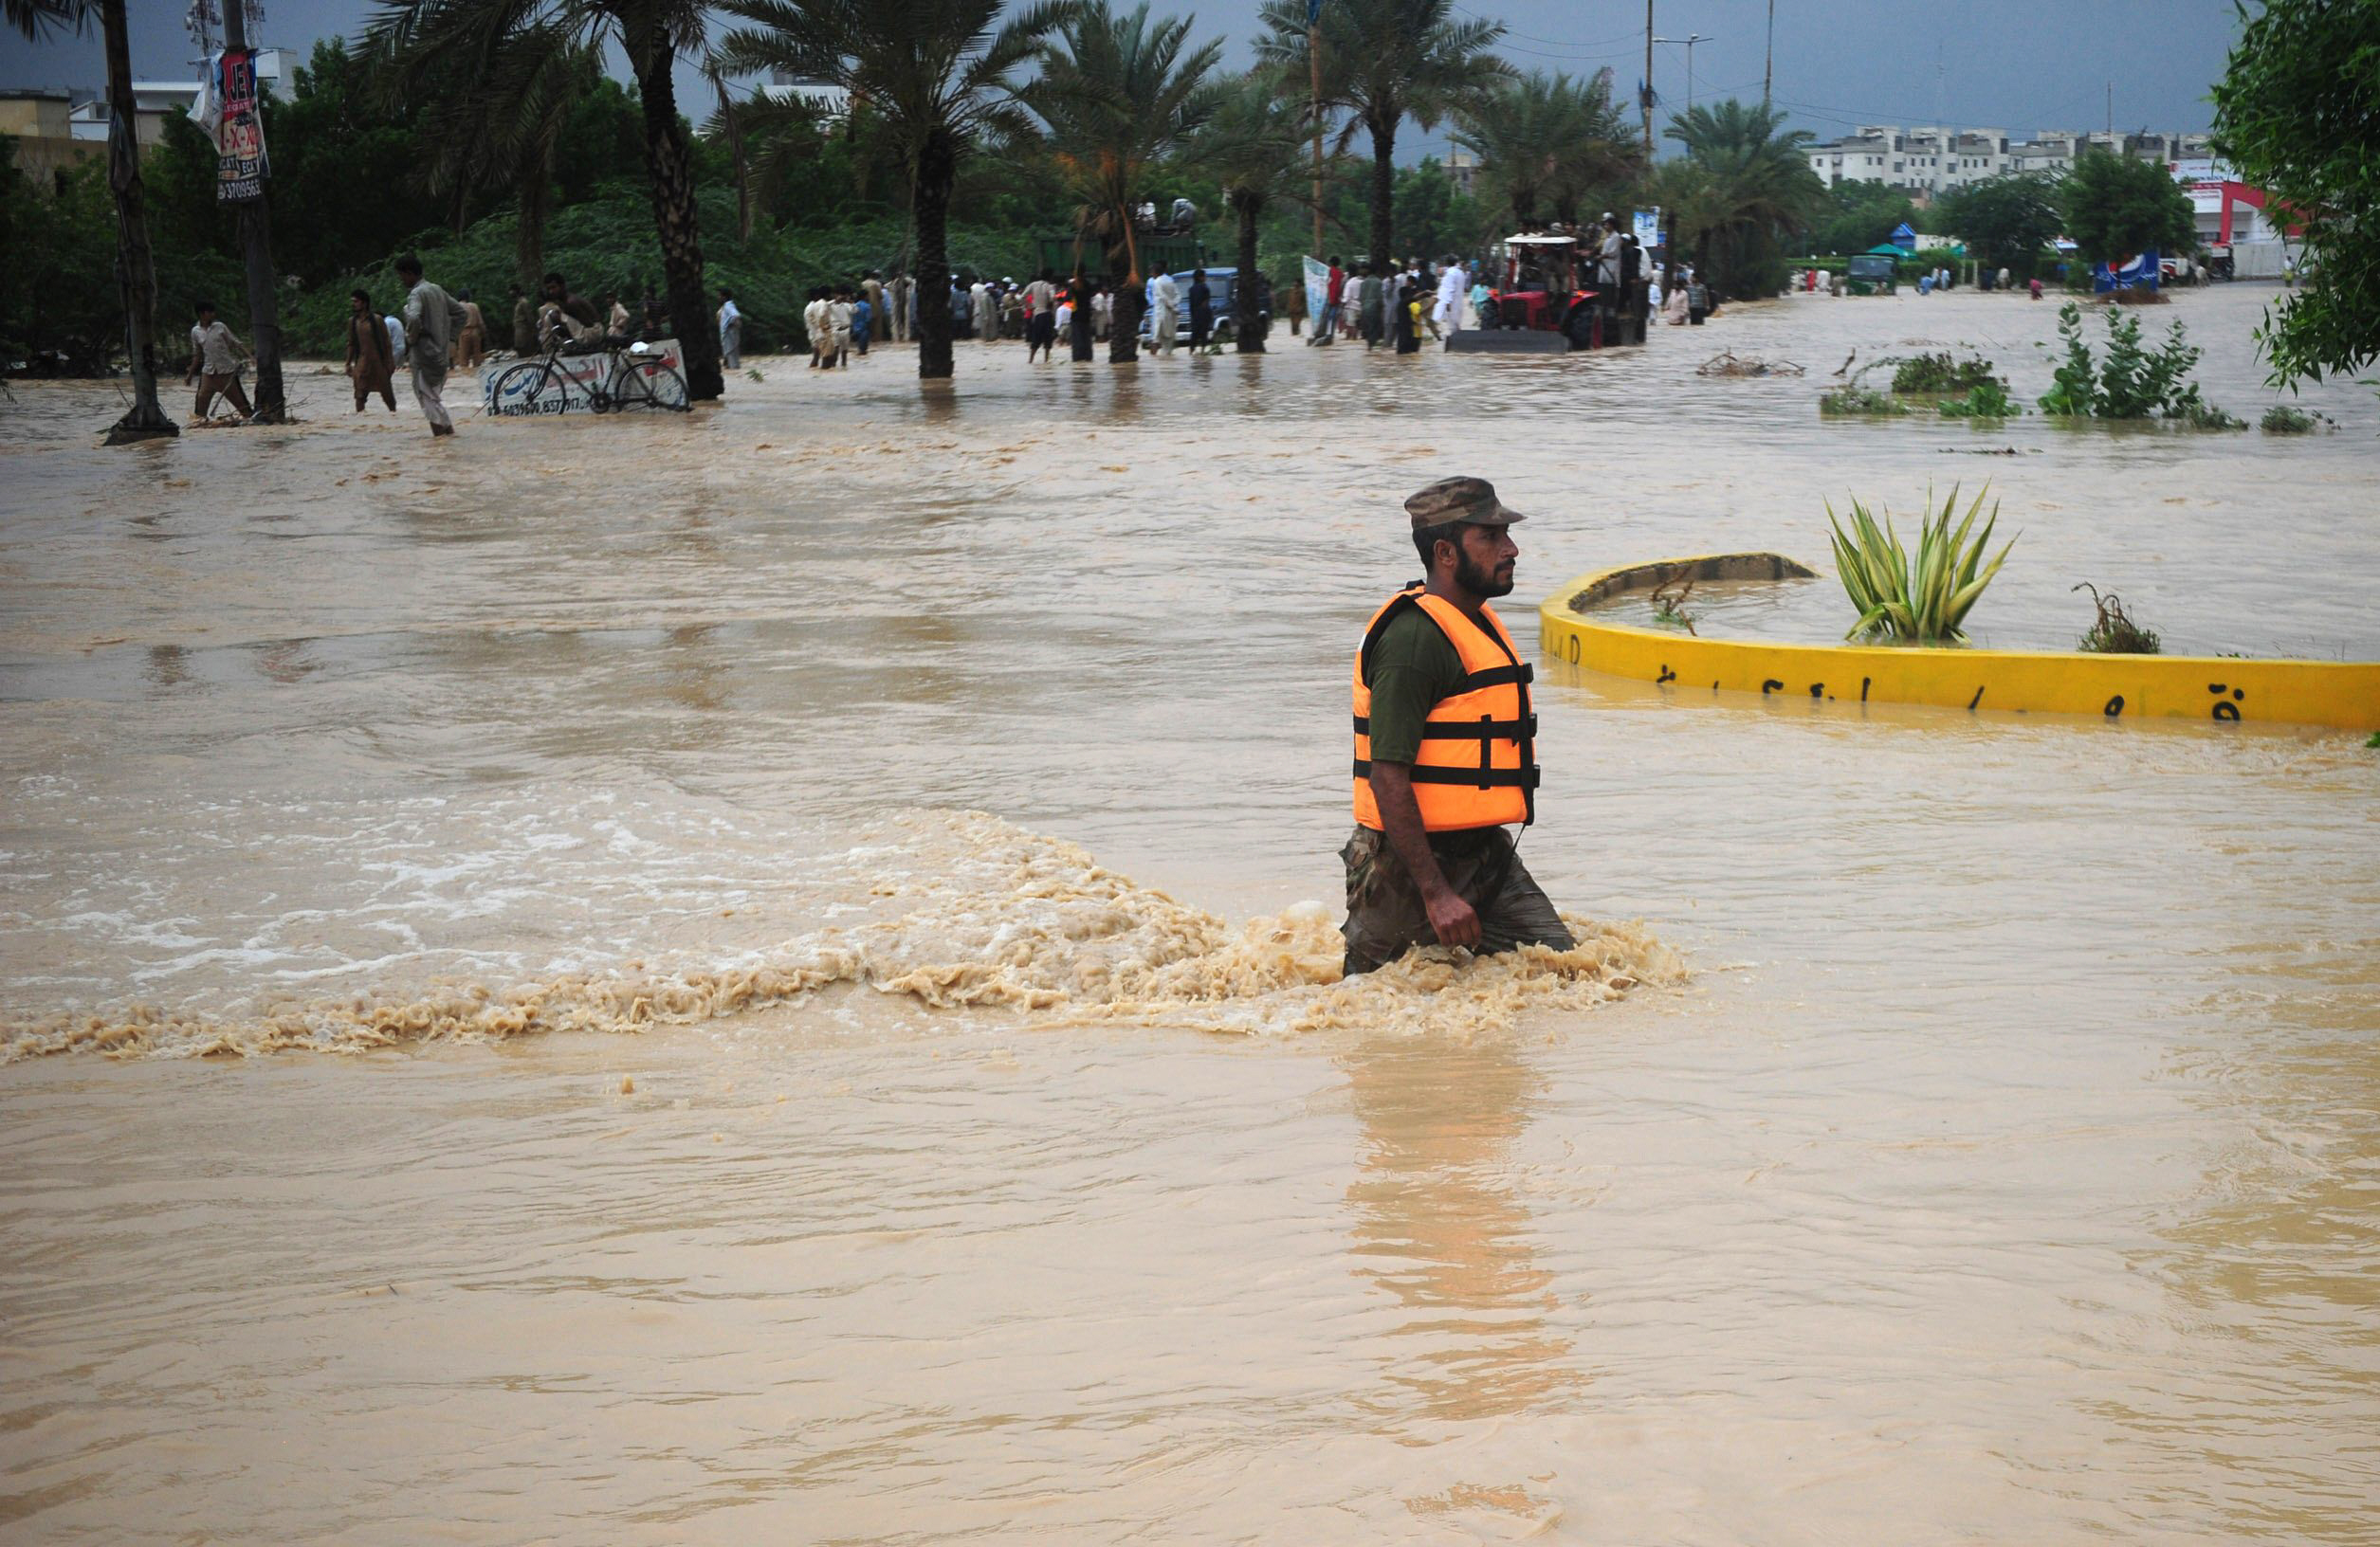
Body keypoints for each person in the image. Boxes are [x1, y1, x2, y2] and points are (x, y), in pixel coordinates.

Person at [1342, 477, 1572, 976]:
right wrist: (1435, 893)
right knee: (1375, 1007)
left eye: (1505, 534)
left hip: (1481, 850)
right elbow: (1388, 776)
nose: (1511, 548)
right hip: (1404, 867)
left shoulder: (1476, 620)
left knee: (1568, 971)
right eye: (1490, 537)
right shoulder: (1412, 643)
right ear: (1446, 552)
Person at [394, 252, 464, 438]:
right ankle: (449, 439)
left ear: (409, 273)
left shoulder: (417, 293)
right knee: (434, 399)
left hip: (423, 354)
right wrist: (450, 338)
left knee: (427, 400)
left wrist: (411, 338)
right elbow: (461, 313)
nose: (401, 280)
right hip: (441, 352)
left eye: (401, 276)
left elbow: (415, 317)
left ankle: (440, 441)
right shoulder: (437, 289)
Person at [186, 299, 254, 421]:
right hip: (208, 373)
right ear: (202, 314)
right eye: (210, 312)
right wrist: (190, 375)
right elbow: (197, 354)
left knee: (242, 405)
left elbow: (236, 342)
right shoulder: (195, 331)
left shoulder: (220, 327)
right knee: (200, 406)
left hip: (227, 372)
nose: (213, 314)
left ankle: (251, 421)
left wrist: (250, 357)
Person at [344, 288, 396, 413]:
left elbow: (387, 342)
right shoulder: (352, 322)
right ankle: (361, 419)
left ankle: (394, 416)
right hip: (362, 363)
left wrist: (390, 362)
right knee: (360, 395)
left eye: (356, 301)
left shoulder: (377, 320)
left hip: (379, 363)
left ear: (364, 303)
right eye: (353, 301)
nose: (353, 304)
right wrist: (348, 363)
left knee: (388, 396)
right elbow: (351, 343)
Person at [540, 271, 601, 350]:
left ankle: (574, 345)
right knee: (551, 316)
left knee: (553, 316)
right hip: (584, 330)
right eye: (549, 289)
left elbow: (588, 324)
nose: (551, 291)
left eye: (553, 287)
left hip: (593, 331)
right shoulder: (560, 301)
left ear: (562, 286)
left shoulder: (570, 302)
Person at [1025, 269, 1058, 362]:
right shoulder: (1049, 286)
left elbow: (1023, 296)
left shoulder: (1032, 285)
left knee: (1036, 337)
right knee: (1047, 338)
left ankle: (1030, 360)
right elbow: (1052, 298)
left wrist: (1029, 306)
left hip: (1037, 314)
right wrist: (1050, 303)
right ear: (1050, 277)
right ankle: (1046, 360)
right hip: (1046, 314)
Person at [1149, 267, 1181, 355]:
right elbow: (1178, 295)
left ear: (1155, 272)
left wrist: (1171, 306)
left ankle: (1156, 361)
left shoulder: (1157, 282)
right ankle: (1167, 361)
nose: (1151, 274)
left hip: (1161, 315)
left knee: (1156, 339)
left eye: (1152, 272)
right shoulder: (1171, 281)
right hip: (1171, 315)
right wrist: (1174, 305)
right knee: (1169, 339)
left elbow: (1163, 296)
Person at [1314, 255, 1346, 345]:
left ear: (1331, 263)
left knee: (1326, 316)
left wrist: (1332, 299)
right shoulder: (1340, 273)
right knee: (1332, 318)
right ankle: (1329, 335)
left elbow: (1334, 286)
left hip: (1331, 299)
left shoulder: (1331, 272)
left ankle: (1322, 334)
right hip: (1336, 299)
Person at [453, 288, 486, 369]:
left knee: (463, 360)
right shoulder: (474, 306)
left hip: (464, 333)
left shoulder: (457, 306)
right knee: (477, 360)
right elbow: (481, 322)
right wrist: (483, 333)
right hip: (476, 333)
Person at [1066, 270, 1094, 361]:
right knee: (1086, 340)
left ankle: (1078, 358)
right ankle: (1087, 358)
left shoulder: (1074, 285)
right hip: (1086, 316)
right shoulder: (1087, 284)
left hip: (1077, 316)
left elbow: (1067, 299)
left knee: (1077, 340)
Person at [1436, 256, 1466, 332]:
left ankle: (1456, 341)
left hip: (1452, 302)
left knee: (1452, 326)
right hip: (1459, 302)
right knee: (1456, 324)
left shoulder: (1449, 273)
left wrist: (1448, 303)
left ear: (1447, 263)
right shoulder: (1461, 273)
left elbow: (1449, 289)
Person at [1357, 264, 1384, 348]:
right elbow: (1380, 297)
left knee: (1368, 328)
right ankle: (1371, 346)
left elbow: (1360, 298)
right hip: (1374, 308)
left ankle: (1369, 346)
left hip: (1364, 308)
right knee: (1375, 328)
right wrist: (1382, 308)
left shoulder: (1363, 283)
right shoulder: (1379, 282)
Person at [1186, 268, 1213, 351]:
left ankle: (1191, 350)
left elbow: (1191, 304)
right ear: (1201, 277)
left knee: (1194, 334)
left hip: (1195, 314)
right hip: (1203, 314)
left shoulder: (1191, 289)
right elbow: (1206, 302)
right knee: (1204, 334)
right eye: (1204, 276)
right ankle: (1203, 351)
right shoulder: (1205, 288)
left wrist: (1192, 315)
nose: (1205, 278)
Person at [1395, 280, 1423, 354]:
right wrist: (1426, 292)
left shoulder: (1401, 304)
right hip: (1406, 335)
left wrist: (1412, 322)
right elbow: (1414, 298)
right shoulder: (1404, 303)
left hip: (1404, 335)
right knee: (1407, 352)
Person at [717, 287, 741, 369]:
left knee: (732, 358)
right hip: (729, 335)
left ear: (724, 297)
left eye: (719, 295)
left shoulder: (728, 306)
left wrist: (730, 325)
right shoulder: (726, 306)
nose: (718, 297)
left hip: (729, 335)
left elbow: (735, 315)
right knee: (730, 357)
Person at [510, 285, 537, 355]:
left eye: (511, 291)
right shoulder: (519, 302)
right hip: (519, 328)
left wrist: (533, 329)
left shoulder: (524, 302)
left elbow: (529, 316)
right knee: (520, 348)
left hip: (524, 329)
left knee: (525, 349)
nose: (510, 293)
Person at [971, 276, 997, 344]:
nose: (993, 290)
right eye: (992, 288)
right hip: (988, 316)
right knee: (987, 328)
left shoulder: (988, 296)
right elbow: (985, 307)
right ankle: (986, 339)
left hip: (989, 315)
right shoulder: (985, 296)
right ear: (989, 288)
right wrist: (986, 316)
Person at [851, 288, 872, 356]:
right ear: (865, 296)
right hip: (864, 329)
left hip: (855, 329)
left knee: (859, 348)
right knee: (863, 350)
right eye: (868, 295)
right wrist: (871, 330)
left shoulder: (855, 305)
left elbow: (852, 318)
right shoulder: (867, 306)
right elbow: (868, 320)